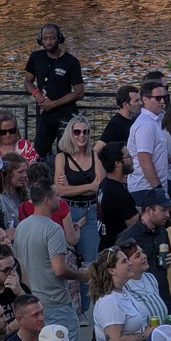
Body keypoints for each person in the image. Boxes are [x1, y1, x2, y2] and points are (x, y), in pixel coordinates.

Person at [11, 183, 82, 341]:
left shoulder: (21, 226)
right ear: (47, 201)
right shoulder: (53, 229)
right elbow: (59, 268)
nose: (60, 199)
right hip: (55, 301)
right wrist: (81, 274)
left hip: (31, 299)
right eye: (56, 196)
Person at [53, 114, 101, 318]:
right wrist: (89, 186)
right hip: (69, 211)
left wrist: (75, 187)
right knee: (70, 261)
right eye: (77, 132)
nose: (82, 136)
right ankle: (72, 307)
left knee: (90, 262)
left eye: (85, 132)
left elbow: (99, 186)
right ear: (70, 134)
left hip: (90, 211)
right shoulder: (61, 157)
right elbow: (60, 191)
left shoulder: (95, 155)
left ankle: (85, 308)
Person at [23, 24, 85, 161]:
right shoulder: (35, 57)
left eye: (52, 38)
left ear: (59, 39)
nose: (48, 42)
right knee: (37, 153)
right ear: (40, 40)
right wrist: (37, 95)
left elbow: (79, 92)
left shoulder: (72, 61)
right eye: (45, 38)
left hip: (66, 115)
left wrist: (54, 104)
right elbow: (27, 82)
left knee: (64, 154)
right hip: (46, 114)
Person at [118, 188, 171, 313]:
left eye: (168, 210)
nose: (168, 215)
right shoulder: (128, 238)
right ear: (148, 210)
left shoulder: (162, 232)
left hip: (162, 295)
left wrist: (168, 262)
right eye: (163, 210)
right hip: (140, 300)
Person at [127, 82, 169, 199]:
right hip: (146, 189)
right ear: (145, 99)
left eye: (164, 97)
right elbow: (144, 159)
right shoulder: (145, 125)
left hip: (150, 188)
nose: (162, 101)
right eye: (158, 98)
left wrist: (169, 158)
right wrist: (158, 189)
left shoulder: (154, 121)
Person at [97, 144, 138, 254]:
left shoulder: (105, 184)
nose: (132, 159)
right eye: (128, 157)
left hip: (105, 246)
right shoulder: (118, 192)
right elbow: (135, 225)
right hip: (119, 251)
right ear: (118, 164)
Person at [94, 87, 142, 156]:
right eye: (136, 101)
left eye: (140, 100)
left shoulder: (133, 120)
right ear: (125, 104)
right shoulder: (115, 125)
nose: (140, 103)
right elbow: (97, 149)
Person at [0, 156, 30, 235]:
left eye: (26, 171)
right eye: (20, 172)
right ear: (8, 174)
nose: (25, 175)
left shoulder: (28, 193)